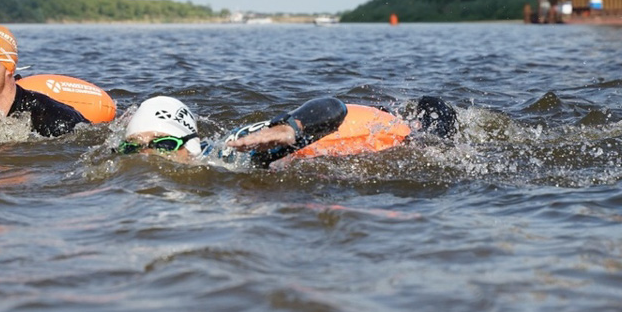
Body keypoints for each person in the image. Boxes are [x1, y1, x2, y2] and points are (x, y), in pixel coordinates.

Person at [116, 94, 457, 168]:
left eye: (163, 144)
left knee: (434, 109)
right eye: (133, 147)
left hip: (388, 135)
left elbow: (333, 107)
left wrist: (291, 129)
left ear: (189, 145)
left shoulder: (233, 152)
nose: (146, 156)